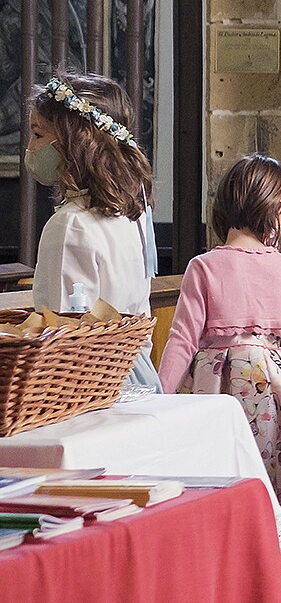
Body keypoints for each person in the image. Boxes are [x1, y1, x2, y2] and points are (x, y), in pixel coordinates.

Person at [157, 155, 281, 502]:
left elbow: (182, 340)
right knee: (278, 467)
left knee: (219, 471)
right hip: (275, 383)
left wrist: (159, 399)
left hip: (215, 383)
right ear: (271, 211)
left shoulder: (203, 266)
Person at [24, 75, 159, 391]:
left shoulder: (71, 225)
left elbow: (58, 335)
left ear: (74, 143)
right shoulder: (133, 211)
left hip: (86, 384)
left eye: (37, 134)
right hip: (136, 373)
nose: (30, 147)